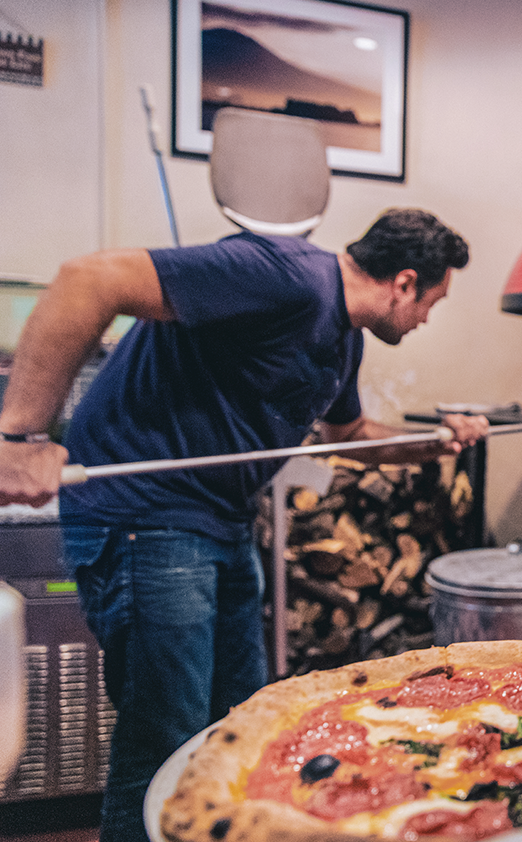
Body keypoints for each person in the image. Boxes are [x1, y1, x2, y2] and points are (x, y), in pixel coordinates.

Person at [0, 208, 489, 842]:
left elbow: (353, 437)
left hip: (222, 529)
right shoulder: (284, 276)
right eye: (431, 301)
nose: (426, 318)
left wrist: (436, 442)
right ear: (403, 282)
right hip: (147, 520)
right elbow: (88, 279)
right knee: (164, 740)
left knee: (241, 726)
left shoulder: (344, 338)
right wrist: (19, 435)